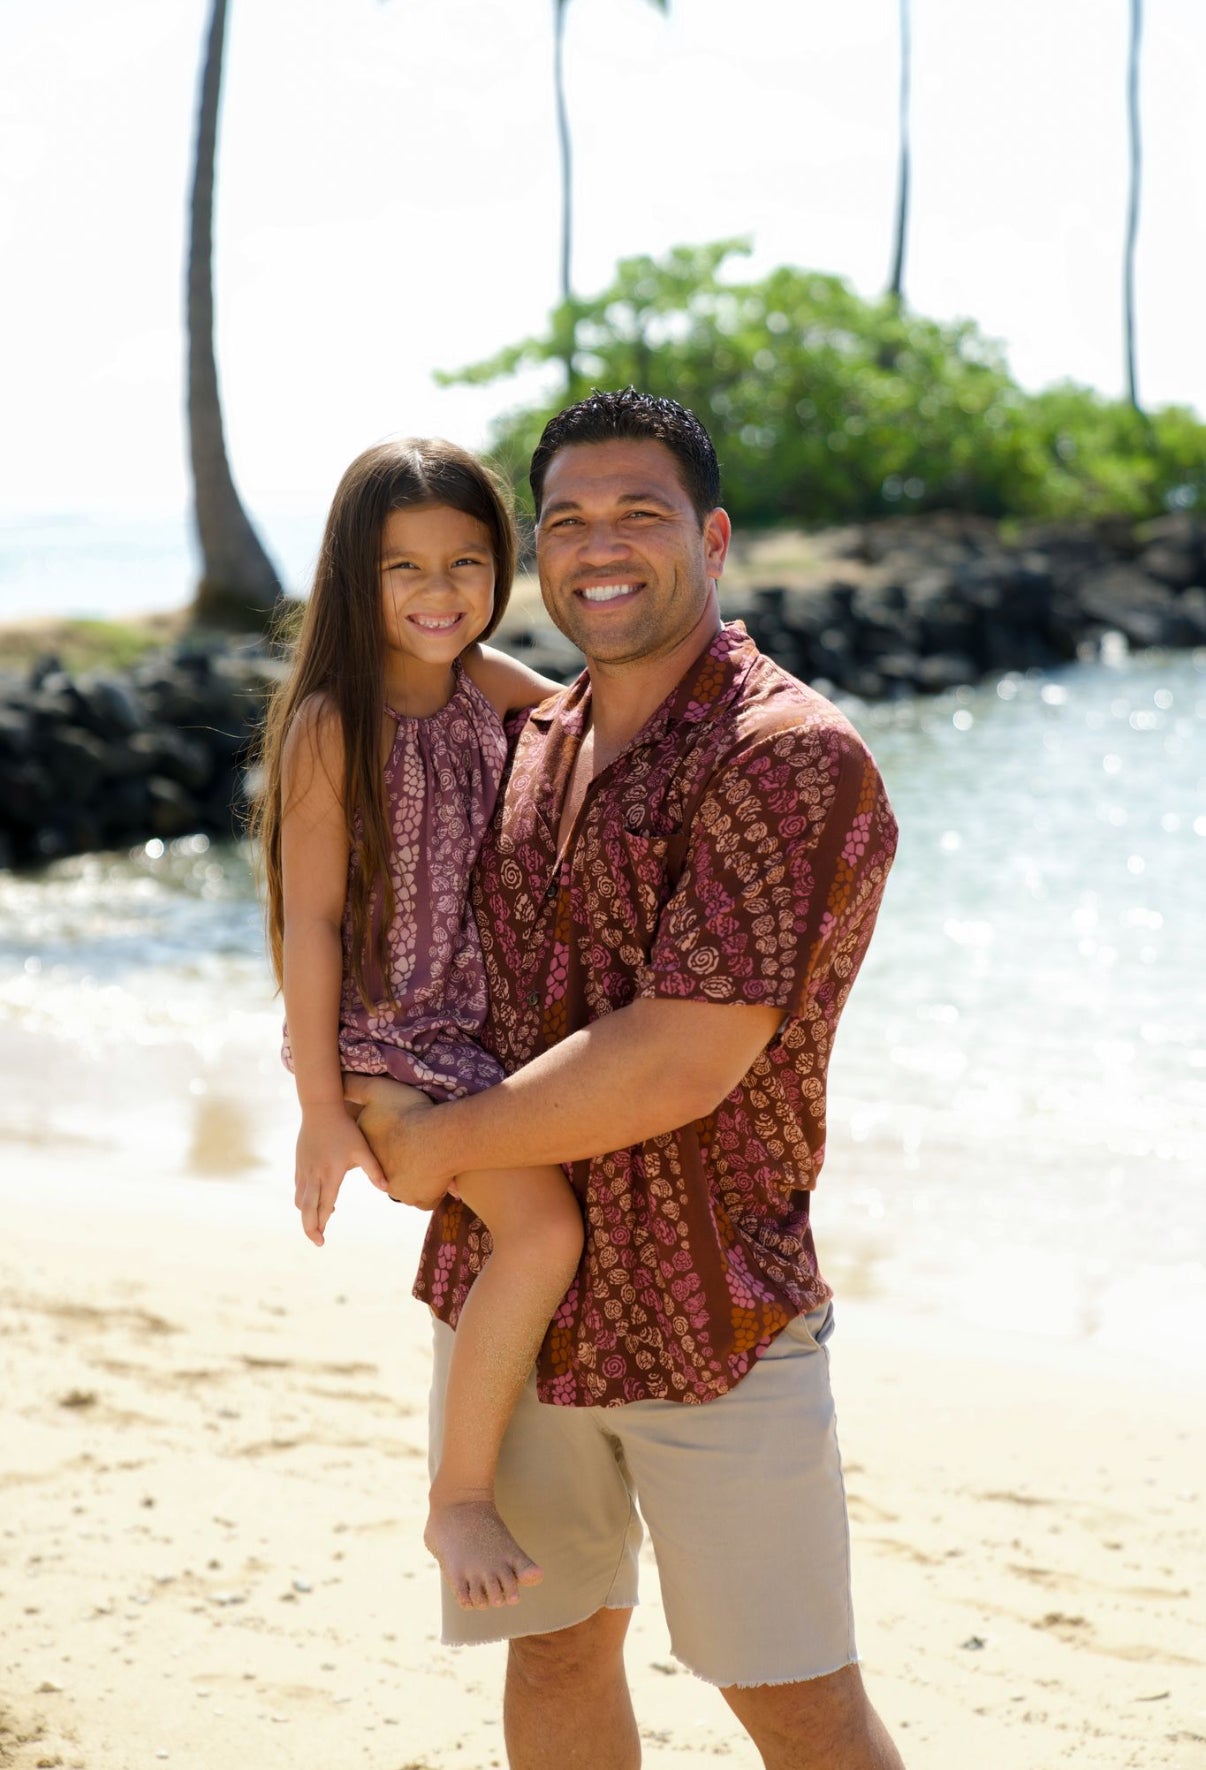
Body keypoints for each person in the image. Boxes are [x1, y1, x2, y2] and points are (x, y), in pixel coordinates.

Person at [345, 390, 906, 1770]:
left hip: (711, 1305)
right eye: (567, 521)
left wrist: (441, 1138)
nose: (601, 544)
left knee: (793, 1695)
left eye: (639, 513)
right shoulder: (534, 742)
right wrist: (348, 1083)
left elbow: (679, 1054)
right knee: (553, 1645)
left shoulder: (787, 756)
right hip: (514, 1296)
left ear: (711, 538)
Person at [255, 438, 585, 1612]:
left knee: (546, 1228)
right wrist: (318, 1112)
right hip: (391, 1048)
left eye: (466, 561)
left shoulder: (485, 683)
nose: (440, 592)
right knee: (543, 1235)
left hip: (480, 1043)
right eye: (405, 567)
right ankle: (457, 1497)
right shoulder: (332, 725)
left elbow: (597, 729)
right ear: (357, 575)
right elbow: (314, 924)